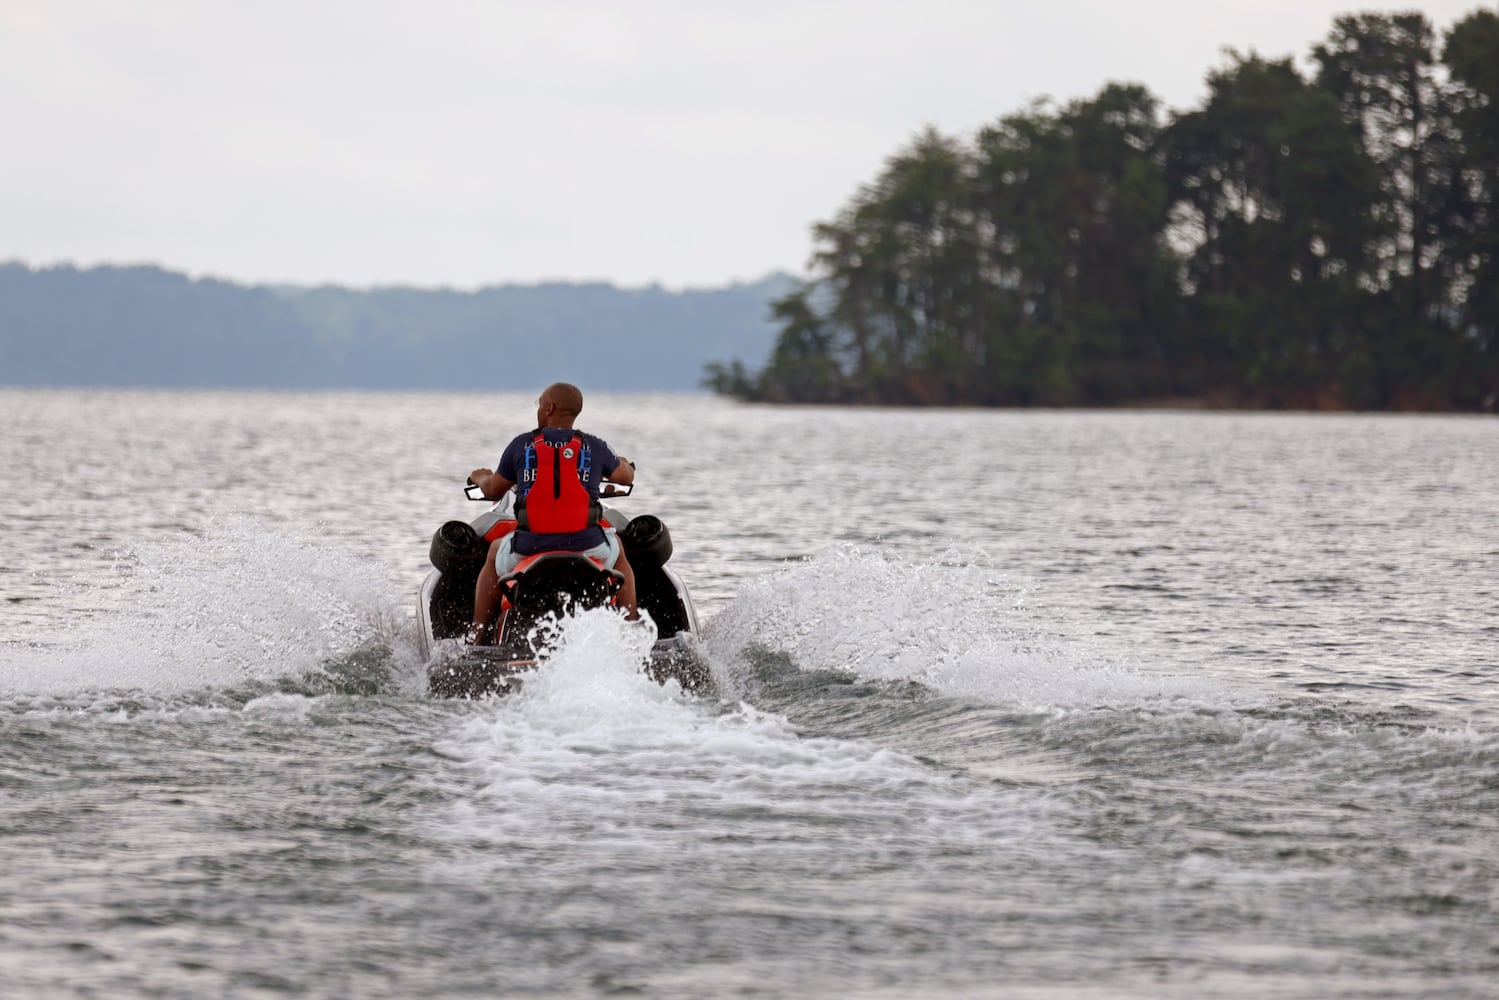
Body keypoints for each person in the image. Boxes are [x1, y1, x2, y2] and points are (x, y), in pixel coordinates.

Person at [466, 382, 637, 643]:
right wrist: (623, 462)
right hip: (589, 549)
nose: (538, 408)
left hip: (528, 550)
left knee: (492, 554)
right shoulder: (596, 446)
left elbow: (492, 491)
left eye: (539, 403)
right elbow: (626, 477)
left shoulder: (521, 445)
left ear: (549, 407)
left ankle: (476, 636)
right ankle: (632, 631)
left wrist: (480, 477)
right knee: (620, 551)